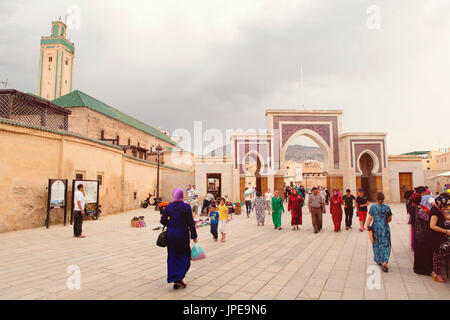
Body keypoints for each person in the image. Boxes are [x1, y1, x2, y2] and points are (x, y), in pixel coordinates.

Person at [160, 188, 198, 289]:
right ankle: (179, 277)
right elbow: (190, 223)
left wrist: (171, 223)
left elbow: (162, 221)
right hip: (182, 235)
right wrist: (194, 236)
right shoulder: (186, 207)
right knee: (185, 256)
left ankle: (176, 279)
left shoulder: (168, 206)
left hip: (171, 234)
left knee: (173, 256)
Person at [366, 192, 392, 273]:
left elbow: (370, 217)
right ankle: (385, 261)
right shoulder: (387, 208)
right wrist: (384, 222)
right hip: (385, 228)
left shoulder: (373, 207)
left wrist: (367, 226)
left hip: (376, 228)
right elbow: (389, 219)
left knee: (377, 244)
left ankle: (379, 259)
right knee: (386, 244)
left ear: (376, 198)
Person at [427, 195, 450, 283]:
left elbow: (445, 217)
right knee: (437, 255)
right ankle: (437, 274)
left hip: (439, 235)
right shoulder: (435, 211)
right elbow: (432, 226)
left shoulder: (438, 209)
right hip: (435, 236)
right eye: (445, 206)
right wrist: (446, 231)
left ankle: (436, 273)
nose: (445, 208)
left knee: (438, 254)